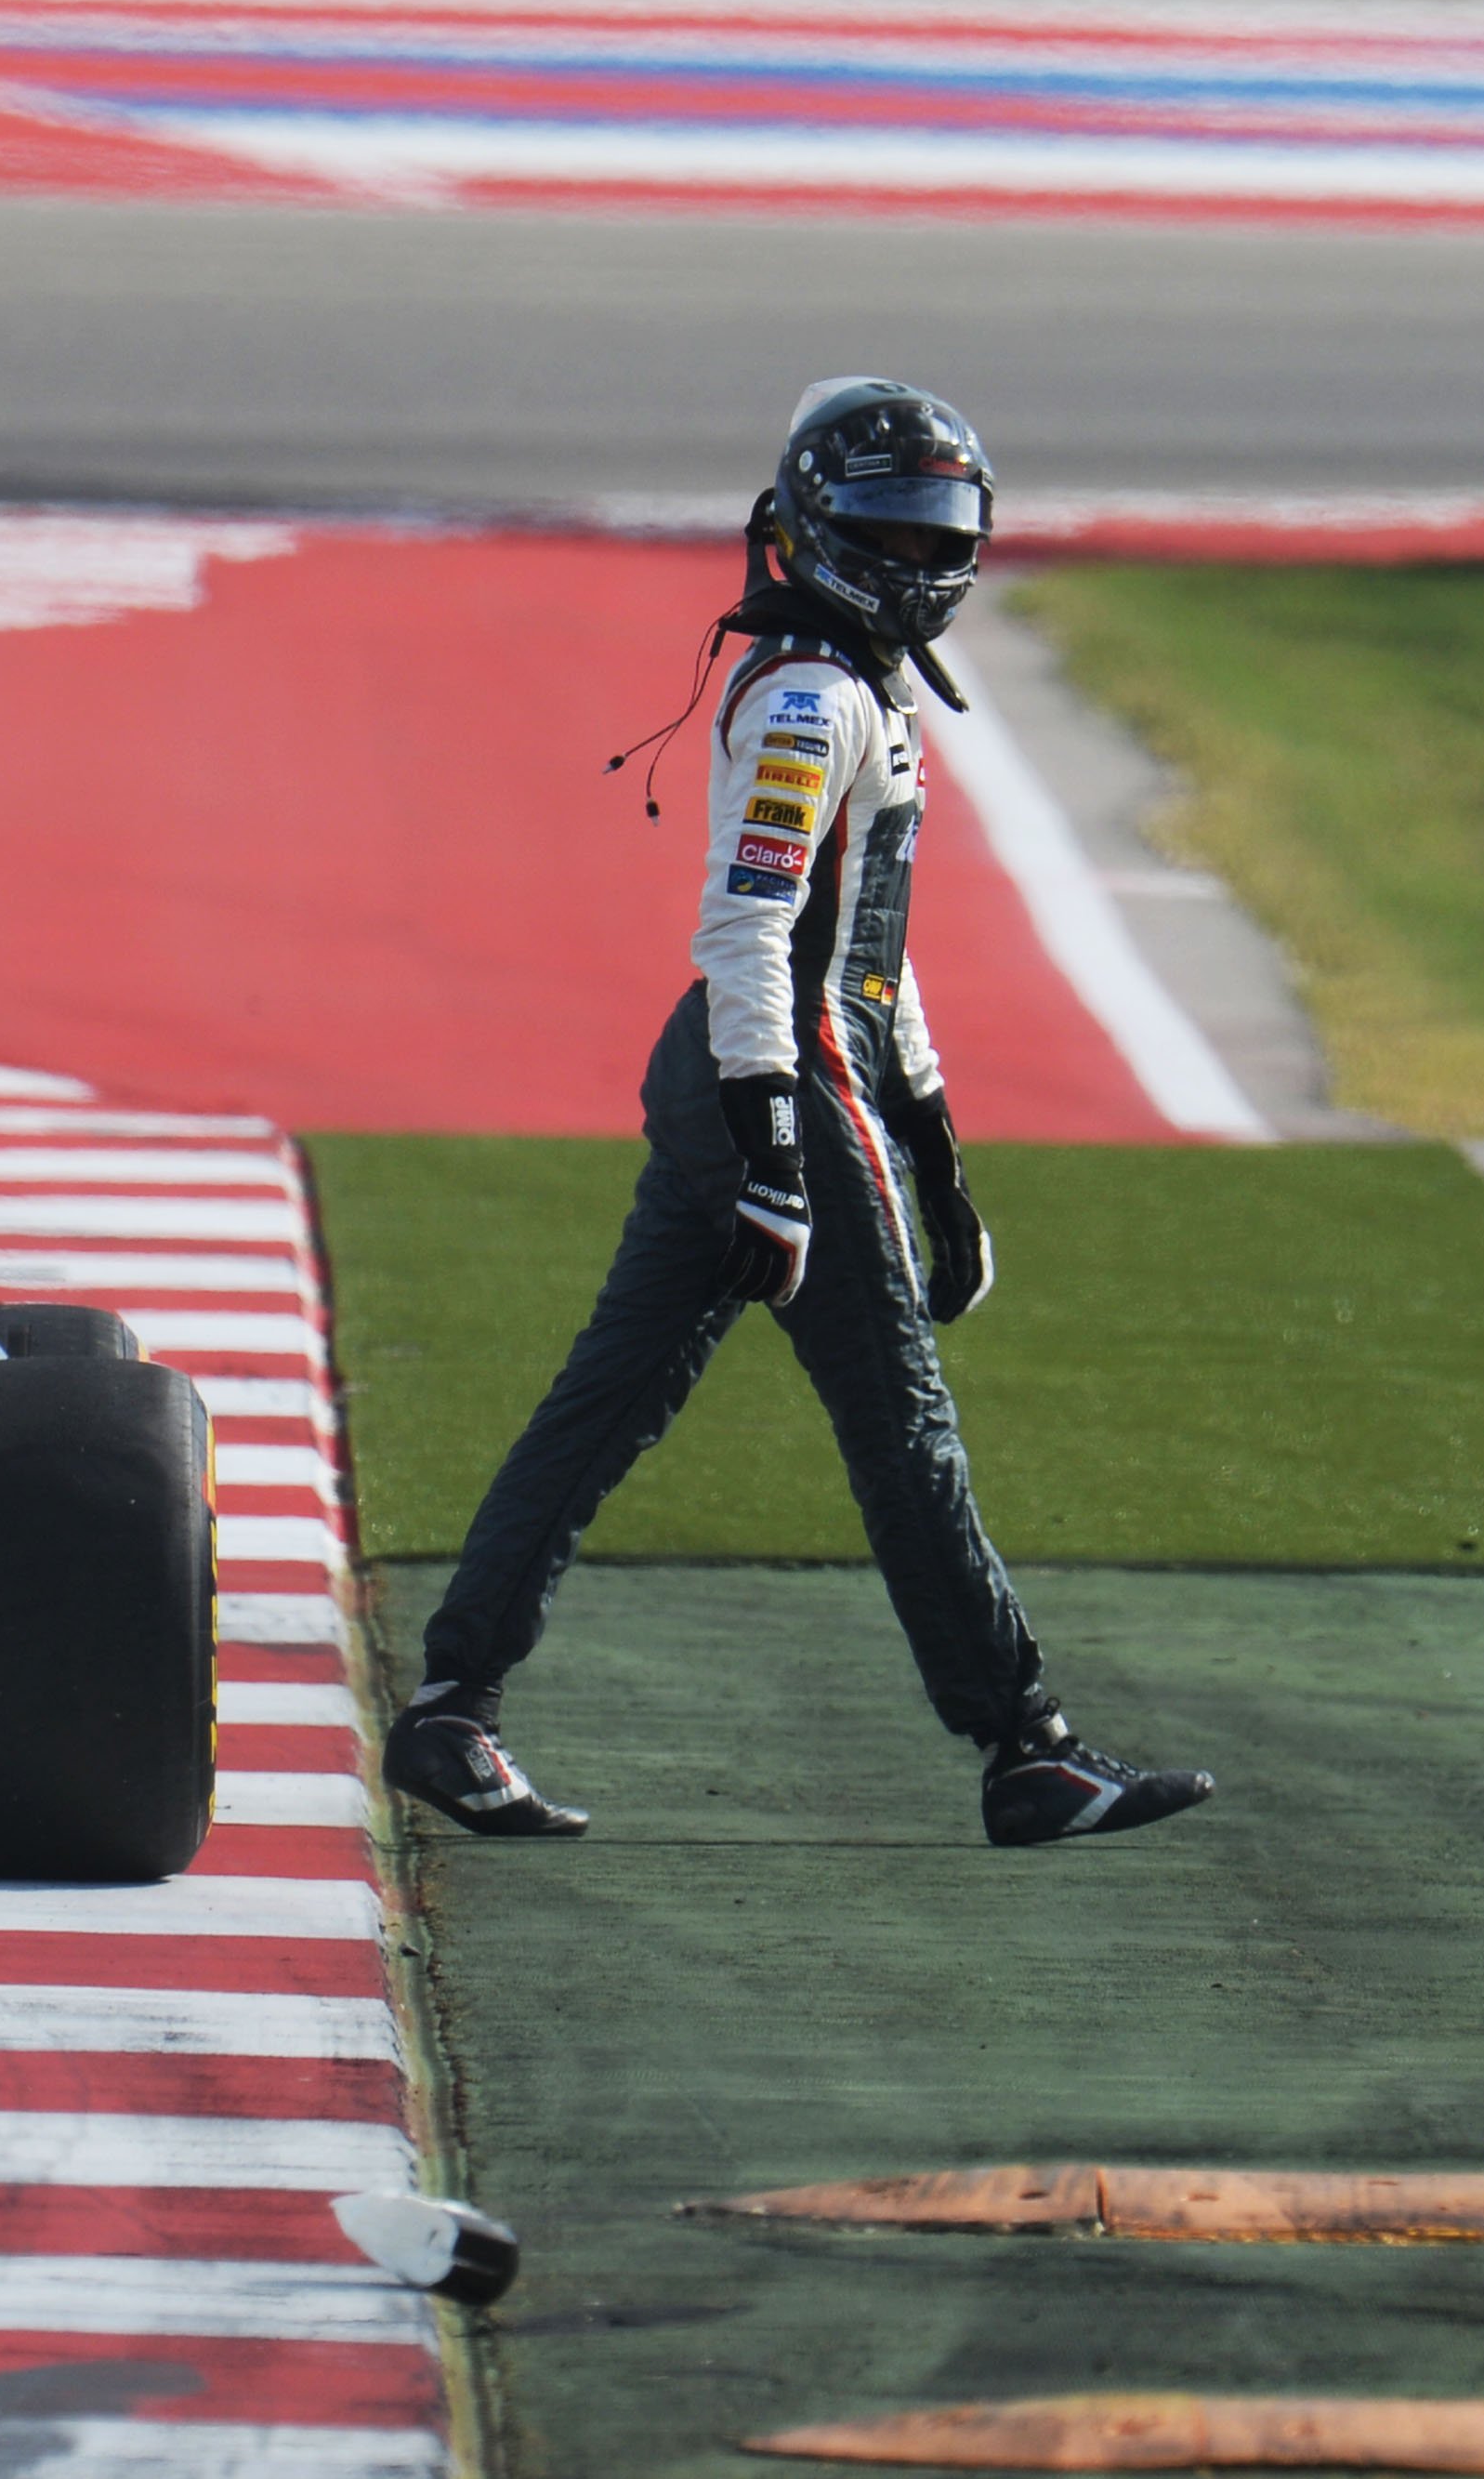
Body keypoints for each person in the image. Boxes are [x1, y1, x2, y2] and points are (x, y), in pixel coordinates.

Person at [381, 378, 1215, 1851]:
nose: (922, 554)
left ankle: (453, 1705)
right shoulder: (819, 696)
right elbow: (749, 930)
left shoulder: (856, 683)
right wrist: (778, 1144)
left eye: (943, 527)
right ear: (821, 525)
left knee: (608, 1400)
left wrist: (939, 1151)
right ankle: (1026, 1746)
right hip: (777, 1082)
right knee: (901, 1424)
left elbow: (869, 944)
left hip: (769, 1073)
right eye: (895, 526)